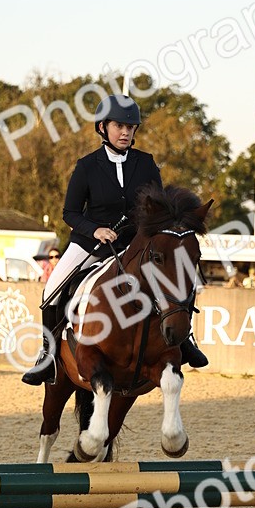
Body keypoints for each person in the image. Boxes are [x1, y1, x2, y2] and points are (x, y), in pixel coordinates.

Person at [22, 93, 208, 385]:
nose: (125, 132)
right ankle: (47, 355)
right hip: (92, 244)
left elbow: (157, 210)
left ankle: (185, 341)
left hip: (134, 246)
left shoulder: (146, 164)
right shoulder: (86, 166)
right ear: (103, 128)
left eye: (131, 127)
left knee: (178, 278)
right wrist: (94, 229)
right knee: (51, 292)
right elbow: (70, 212)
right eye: (119, 126)